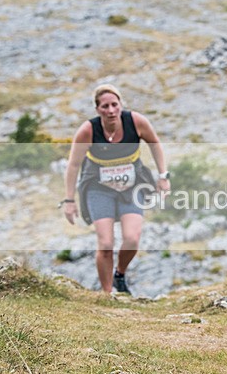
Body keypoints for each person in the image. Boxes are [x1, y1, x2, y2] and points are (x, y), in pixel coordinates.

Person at [62, 84, 170, 294]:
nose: (110, 110)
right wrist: (69, 200)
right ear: (97, 109)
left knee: (131, 238)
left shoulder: (136, 122)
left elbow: (155, 144)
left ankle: (119, 273)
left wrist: (163, 176)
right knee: (106, 242)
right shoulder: (88, 130)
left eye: (114, 105)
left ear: (121, 105)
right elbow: (73, 165)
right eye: (105, 106)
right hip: (98, 188)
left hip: (132, 186)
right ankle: (107, 293)